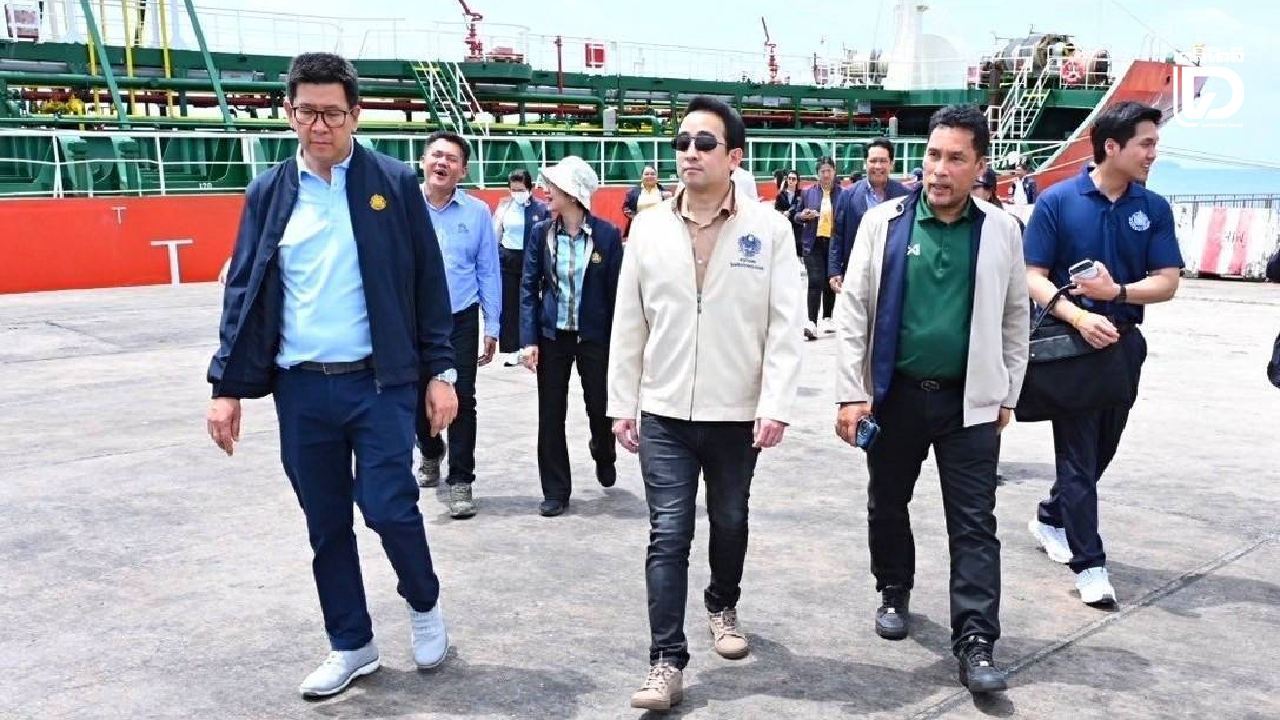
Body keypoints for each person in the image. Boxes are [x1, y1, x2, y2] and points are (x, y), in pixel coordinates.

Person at [205, 52, 457, 699]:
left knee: (388, 506)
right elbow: (244, 290)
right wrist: (226, 388)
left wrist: (441, 371)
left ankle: (423, 603)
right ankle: (352, 644)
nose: (320, 126)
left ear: (355, 114)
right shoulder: (268, 193)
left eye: (333, 114)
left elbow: (428, 283)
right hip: (301, 387)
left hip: (379, 383)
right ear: (289, 113)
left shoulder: (392, 182)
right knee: (325, 523)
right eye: (307, 112)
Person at [610, 95, 804, 712]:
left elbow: (784, 324)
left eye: (704, 142)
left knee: (730, 520)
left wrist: (775, 403)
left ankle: (722, 603)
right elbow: (629, 321)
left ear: (734, 156)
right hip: (664, 411)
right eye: (683, 142)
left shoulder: (768, 229)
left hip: (736, 414)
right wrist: (622, 403)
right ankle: (666, 660)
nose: (689, 152)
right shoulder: (648, 226)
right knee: (668, 533)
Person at [833, 104, 1029, 695]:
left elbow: (1015, 316)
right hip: (894, 398)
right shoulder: (884, 223)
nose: (939, 170)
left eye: (955, 159)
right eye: (933, 155)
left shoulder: (1000, 230)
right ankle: (893, 589)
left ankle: (976, 640)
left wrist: (1007, 391)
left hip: (968, 403)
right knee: (887, 503)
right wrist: (851, 393)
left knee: (974, 524)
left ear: (980, 166)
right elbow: (853, 312)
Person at [1023, 100, 1183, 606]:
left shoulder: (1152, 208)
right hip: (1073, 343)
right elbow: (1032, 276)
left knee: (1100, 453)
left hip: (1124, 345)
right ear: (1111, 146)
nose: (1153, 154)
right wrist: (1079, 317)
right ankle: (1089, 564)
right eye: (1146, 144)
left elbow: (1167, 282)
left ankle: (1052, 515)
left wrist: (1117, 294)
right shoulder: (1057, 201)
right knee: (1076, 454)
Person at [519, 156, 623, 517]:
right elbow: (528, 287)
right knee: (551, 414)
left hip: (594, 336)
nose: (546, 192)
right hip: (553, 337)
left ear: (573, 194)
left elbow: (617, 294)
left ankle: (604, 450)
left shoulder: (607, 236)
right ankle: (555, 490)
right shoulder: (541, 233)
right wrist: (529, 340)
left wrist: (621, 343)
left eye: (554, 187)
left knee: (600, 406)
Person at [419, 130, 501, 519]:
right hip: (415, 320)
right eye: (436, 156)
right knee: (416, 396)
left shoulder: (477, 213)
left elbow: (488, 269)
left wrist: (493, 324)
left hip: (460, 318)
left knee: (463, 398)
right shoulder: (404, 205)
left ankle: (461, 480)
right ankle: (430, 449)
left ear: (463, 170)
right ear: (423, 161)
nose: (442, 163)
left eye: (451, 159)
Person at [828, 138, 911, 292]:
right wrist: (834, 271)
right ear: (865, 163)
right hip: (857, 271)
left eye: (883, 161)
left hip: (894, 273)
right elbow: (838, 235)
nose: (878, 166)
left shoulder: (906, 196)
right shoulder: (848, 196)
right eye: (873, 161)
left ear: (891, 164)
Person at [493, 169, 549, 366]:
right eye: (513, 189)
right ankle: (512, 349)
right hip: (508, 259)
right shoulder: (504, 206)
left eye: (521, 189)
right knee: (509, 306)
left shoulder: (541, 208)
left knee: (529, 303)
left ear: (529, 188)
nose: (517, 193)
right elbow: (495, 232)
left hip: (530, 260)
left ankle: (531, 343)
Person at [796, 156, 842, 339]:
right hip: (813, 243)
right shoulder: (808, 193)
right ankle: (811, 322)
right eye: (822, 171)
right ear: (817, 174)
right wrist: (803, 215)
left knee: (830, 280)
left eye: (829, 170)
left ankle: (828, 316)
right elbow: (796, 214)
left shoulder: (843, 194)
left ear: (834, 172)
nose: (826, 174)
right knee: (815, 280)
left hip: (833, 243)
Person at [622, 165, 671, 237]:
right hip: (638, 229)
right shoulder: (632, 192)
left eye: (652, 174)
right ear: (641, 177)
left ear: (657, 177)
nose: (649, 176)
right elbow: (625, 208)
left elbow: (672, 210)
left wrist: (669, 200)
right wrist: (635, 216)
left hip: (660, 230)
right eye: (646, 174)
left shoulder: (665, 192)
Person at [774, 168, 803, 256]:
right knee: (785, 247)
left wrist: (793, 212)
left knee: (799, 246)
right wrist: (783, 213)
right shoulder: (780, 195)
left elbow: (802, 207)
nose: (791, 181)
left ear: (797, 181)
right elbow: (776, 210)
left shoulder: (801, 194)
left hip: (798, 226)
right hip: (785, 225)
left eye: (793, 179)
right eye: (789, 178)